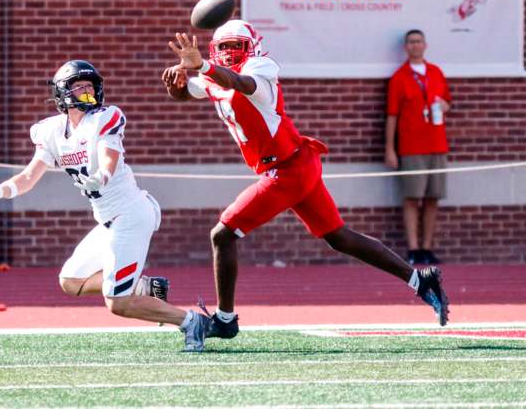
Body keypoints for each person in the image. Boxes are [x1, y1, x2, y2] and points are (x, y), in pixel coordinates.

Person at [161, 19, 450, 342]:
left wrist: (205, 66)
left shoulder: (260, 67)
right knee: (339, 237)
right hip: (297, 163)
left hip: (286, 170)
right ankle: (420, 280)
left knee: (223, 235)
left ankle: (225, 320)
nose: (229, 54)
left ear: (251, 47)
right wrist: (178, 89)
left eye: (235, 47)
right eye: (223, 48)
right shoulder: (214, 74)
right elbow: (195, 91)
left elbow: (239, 83)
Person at [0, 60, 213, 351]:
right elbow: (30, 176)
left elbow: (108, 157)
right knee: (70, 281)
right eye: (79, 87)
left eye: (89, 85)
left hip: (131, 214)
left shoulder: (104, 118)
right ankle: (144, 287)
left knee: (117, 303)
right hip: (108, 221)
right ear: (62, 93)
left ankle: (190, 323)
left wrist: (101, 177)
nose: (87, 91)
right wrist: (3, 190)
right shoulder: (51, 132)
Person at [385, 29, 451, 265]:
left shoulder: (436, 73)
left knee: (433, 197)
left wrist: (444, 106)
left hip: (437, 144)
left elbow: (446, 103)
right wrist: (390, 149)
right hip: (411, 146)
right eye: (411, 42)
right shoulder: (399, 77)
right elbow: (392, 115)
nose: (415, 45)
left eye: (419, 41)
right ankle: (413, 248)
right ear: (406, 47)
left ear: (425, 44)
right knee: (412, 197)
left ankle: (427, 247)